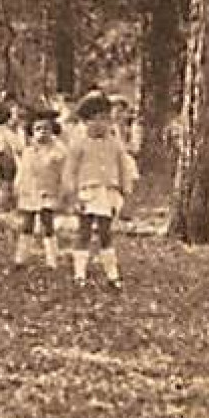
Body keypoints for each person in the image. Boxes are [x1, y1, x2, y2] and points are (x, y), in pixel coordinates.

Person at [61, 92, 139, 288]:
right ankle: (80, 273)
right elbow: (70, 171)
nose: (102, 124)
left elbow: (124, 168)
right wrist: (72, 195)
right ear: (86, 121)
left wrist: (127, 193)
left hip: (108, 192)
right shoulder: (79, 144)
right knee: (84, 231)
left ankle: (112, 274)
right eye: (97, 119)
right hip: (87, 191)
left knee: (105, 232)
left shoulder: (115, 143)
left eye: (106, 119)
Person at [13, 108, 66, 269]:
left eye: (46, 129)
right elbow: (22, 171)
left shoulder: (58, 151)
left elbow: (64, 172)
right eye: (38, 129)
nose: (42, 133)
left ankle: (52, 258)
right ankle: (21, 257)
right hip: (30, 191)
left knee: (47, 222)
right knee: (27, 223)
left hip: (48, 190)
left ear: (53, 130)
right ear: (32, 132)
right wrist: (18, 186)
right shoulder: (29, 151)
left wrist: (64, 190)